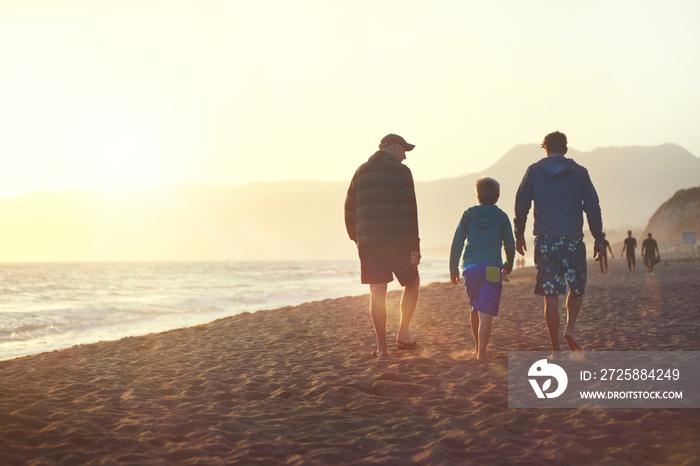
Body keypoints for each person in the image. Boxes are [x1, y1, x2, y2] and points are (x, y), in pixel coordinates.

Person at [514, 131, 604, 356]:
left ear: (545, 147)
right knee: (577, 289)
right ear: (565, 148)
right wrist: (598, 238)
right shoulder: (580, 172)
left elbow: (521, 204)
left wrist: (519, 234)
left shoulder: (534, 171)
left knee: (550, 297)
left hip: (545, 242)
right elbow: (593, 207)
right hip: (573, 241)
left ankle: (555, 350)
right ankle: (570, 328)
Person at [344, 134, 421, 358]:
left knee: (377, 291)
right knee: (413, 281)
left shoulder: (361, 171)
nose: (405, 156)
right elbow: (409, 209)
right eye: (403, 150)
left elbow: (349, 208)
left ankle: (382, 348)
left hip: (368, 241)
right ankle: (403, 334)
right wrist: (414, 245)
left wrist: (357, 237)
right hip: (397, 240)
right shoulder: (401, 172)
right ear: (393, 147)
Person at [449, 177, 515, 361]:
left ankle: (477, 347)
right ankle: (482, 353)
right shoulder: (501, 217)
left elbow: (457, 242)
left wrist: (453, 268)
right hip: (492, 266)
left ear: (477, 195)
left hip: (470, 267)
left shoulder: (468, 215)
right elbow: (509, 244)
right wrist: (509, 263)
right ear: (498, 196)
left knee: (475, 306)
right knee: (486, 311)